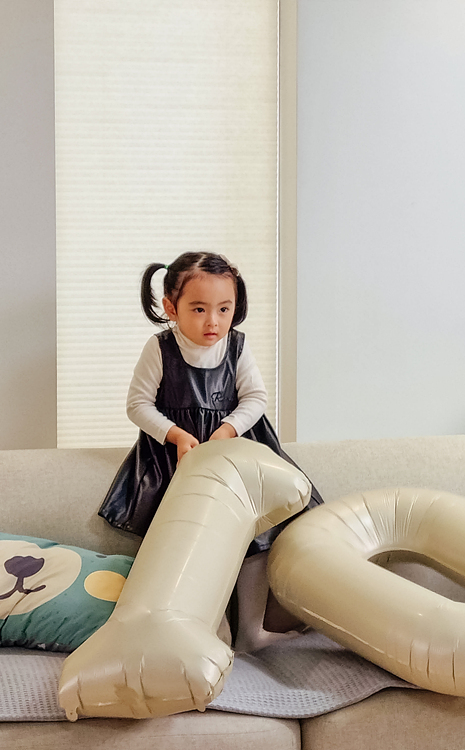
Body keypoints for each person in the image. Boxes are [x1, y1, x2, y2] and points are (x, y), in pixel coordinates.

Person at [98, 251, 322, 652]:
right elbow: (138, 405)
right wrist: (176, 435)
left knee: (255, 537)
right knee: (194, 544)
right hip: (177, 459)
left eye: (224, 309)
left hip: (236, 452)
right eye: (199, 309)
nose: (213, 322)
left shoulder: (236, 346)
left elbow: (255, 398)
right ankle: (210, 631)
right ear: (171, 308)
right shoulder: (160, 349)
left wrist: (227, 430)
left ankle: (251, 631)